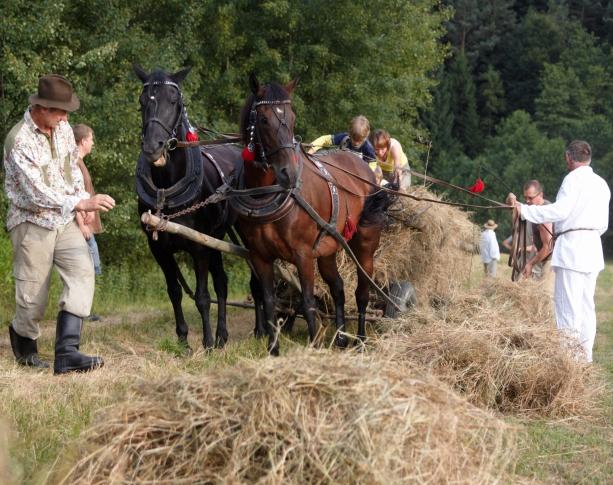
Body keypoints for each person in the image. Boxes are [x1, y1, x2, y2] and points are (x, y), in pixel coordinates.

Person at [3, 74, 115, 374]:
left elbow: (72, 170)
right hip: (31, 221)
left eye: (66, 111)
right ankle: (24, 342)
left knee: (82, 271)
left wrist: (81, 201)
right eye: (59, 110)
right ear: (40, 107)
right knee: (32, 299)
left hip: (64, 220)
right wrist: (81, 203)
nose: (66, 116)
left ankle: (67, 353)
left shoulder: (63, 128)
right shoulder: (19, 141)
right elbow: (35, 191)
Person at [507, 140, 610, 362]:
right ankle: (584, 360)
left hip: (573, 247)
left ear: (568, 158)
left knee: (567, 308)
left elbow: (559, 210)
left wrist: (525, 210)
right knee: (586, 307)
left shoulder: (572, 180)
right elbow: (603, 225)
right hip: (592, 247)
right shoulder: (602, 184)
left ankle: (568, 363)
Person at [73, 123, 103, 321]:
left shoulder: (80, 162)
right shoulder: (74, 162)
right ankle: (81, 312)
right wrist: (82, 225)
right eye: (91, 139)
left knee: (91, 267)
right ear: (83, 141)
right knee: (87, 268)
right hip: (80, 226)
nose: (93, 143)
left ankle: (84, 311)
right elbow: (71, 195)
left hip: (86, 225)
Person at [521, 180, 554, 294]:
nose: (527, 201)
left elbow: (548, 247)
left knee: (545, 296)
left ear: (540, 195)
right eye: (525, 197)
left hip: (551, 260)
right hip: (544, 257)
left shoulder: (545, 213)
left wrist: (530, 264)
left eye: (530, 198)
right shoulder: (536, 211)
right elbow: (539, 244)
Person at [307, 115, 376, 162]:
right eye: (354, 139)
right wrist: (311, 150)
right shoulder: (345, 138)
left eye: (359, 140)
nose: (356, 143)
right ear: (349, 133)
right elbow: (324, 139)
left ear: (366, 136)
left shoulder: (368, 147)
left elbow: (372, 162)